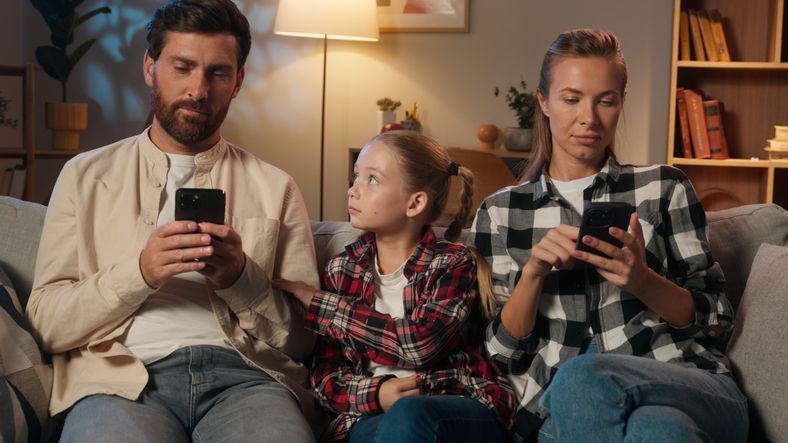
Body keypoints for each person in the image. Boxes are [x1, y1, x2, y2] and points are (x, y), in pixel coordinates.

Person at [26, 1, 319, 441]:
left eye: (218, 73)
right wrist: (141, 272)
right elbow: (46, 324)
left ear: (238, 82)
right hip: (120, 381)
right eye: (182, 68)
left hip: (248, 380)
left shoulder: (277, 187)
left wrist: (240, 278)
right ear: (150, 67)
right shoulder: (84, 176)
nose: (198, 90)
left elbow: (305, 341)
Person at [468, 29, 748, 442]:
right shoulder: (500, 212)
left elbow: (717, 319)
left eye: (606, 100)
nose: (589, 118)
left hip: (683, 379)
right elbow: (496, 353)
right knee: (659, 429)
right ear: (543, 102)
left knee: (584, 375)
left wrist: (643, 281)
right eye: (571, 99)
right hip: (561, 409)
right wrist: (532, 276)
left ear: (621, 102)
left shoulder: (664, 187)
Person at [273, 131, 516, 442]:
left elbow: (420, 345)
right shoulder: (341, 269)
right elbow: (324, 378)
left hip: (452, 406)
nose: (352, 190)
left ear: (415, 203)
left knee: (408, 414)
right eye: (356, 176)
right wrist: (376, 393)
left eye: (372, 179)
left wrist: (323, 305)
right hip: (371, 415)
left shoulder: (452, 264)